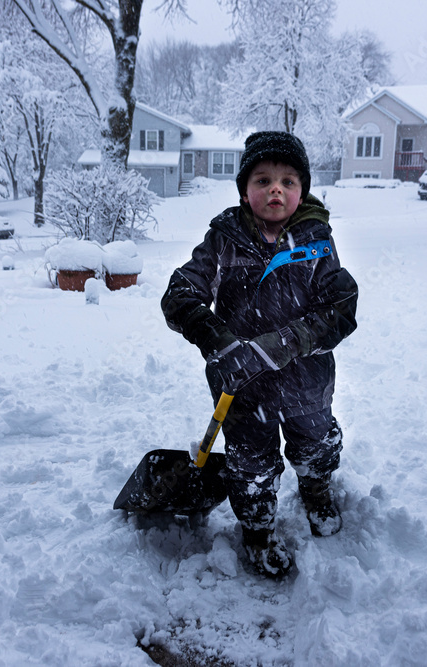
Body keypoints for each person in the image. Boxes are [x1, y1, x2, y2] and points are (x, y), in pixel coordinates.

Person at [160, 131, 358, 577]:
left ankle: (316, 487)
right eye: (263, 179)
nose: (276, 189)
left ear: (302, 190)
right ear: (245, 191)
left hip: (306, 381)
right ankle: (257, 528)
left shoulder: (315, 240)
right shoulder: (224, 240)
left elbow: (340, 308)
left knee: (316, 441)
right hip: (242, 388)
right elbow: (181, 294)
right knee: (250, 463)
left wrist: (277, 347)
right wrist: (221, 343)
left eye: (289, 181)